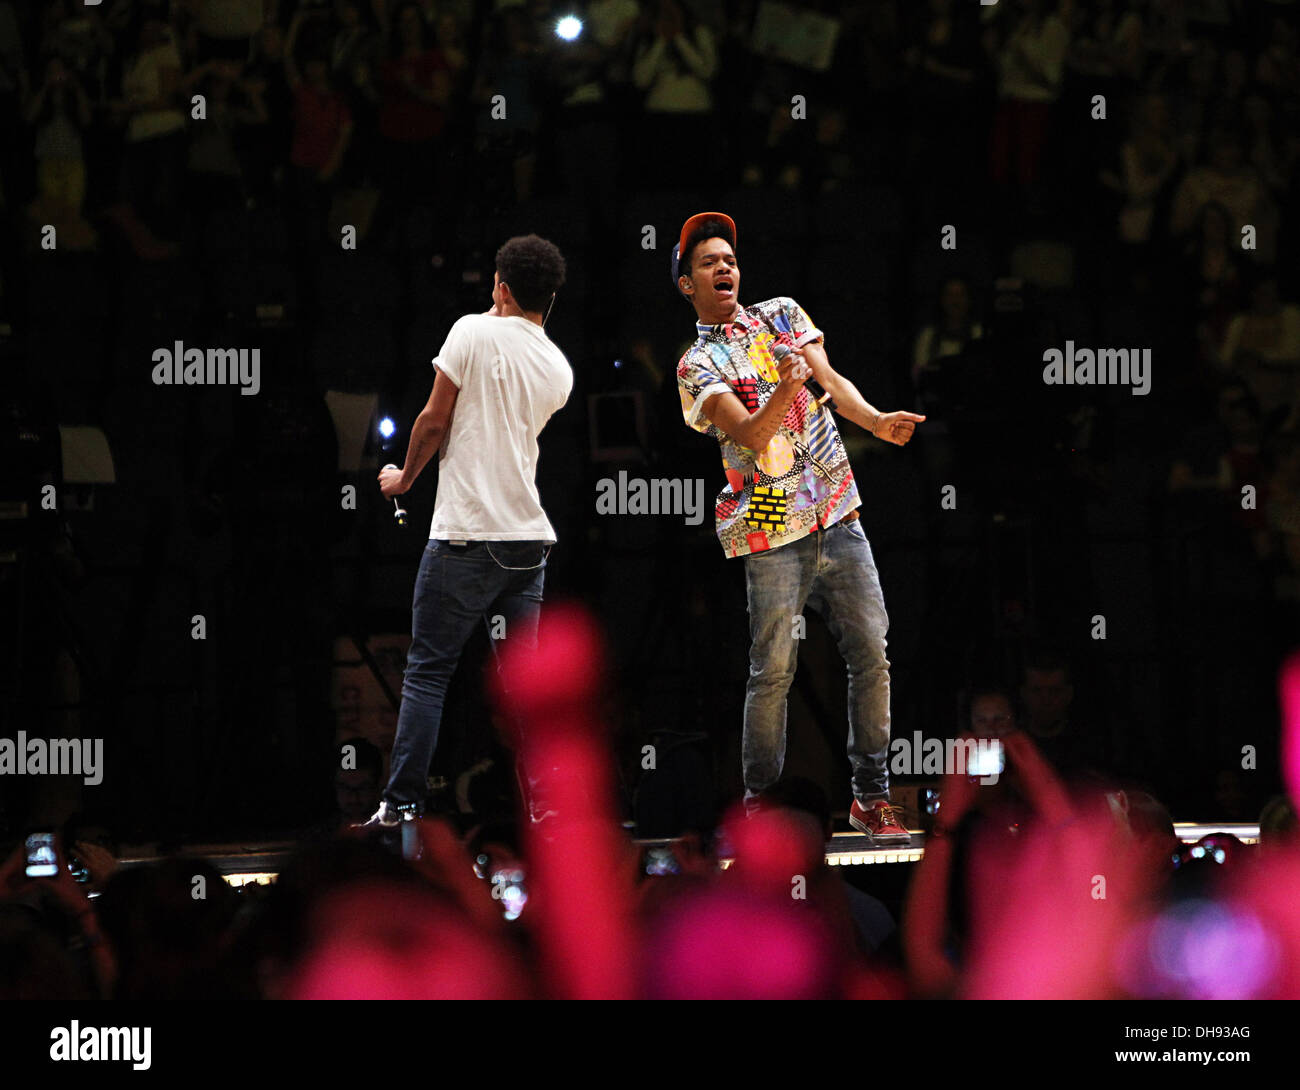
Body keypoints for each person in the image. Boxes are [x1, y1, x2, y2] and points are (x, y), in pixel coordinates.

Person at [672, 212, 925, 842]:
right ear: (687, 285)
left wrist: (873, 421)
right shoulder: (695, 365)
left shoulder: (782, 313)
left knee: (872, 653)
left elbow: (833, 384)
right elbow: (755, 435)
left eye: (729, 258)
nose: (723, 267)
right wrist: (786, 388)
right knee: (773, 669)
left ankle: (871, 797)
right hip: (771, 526)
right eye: (708, 262)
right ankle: (762, 806)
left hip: (837, 509)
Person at [362, 235, 572, 827]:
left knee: (428, 673)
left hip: (465, 537)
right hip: (528, 543)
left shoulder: (469, 332)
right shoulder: (559, 366)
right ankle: (549, 807)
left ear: (500, 286)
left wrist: (403, 479)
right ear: (550, 296)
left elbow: (435, 418)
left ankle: (402, 805)